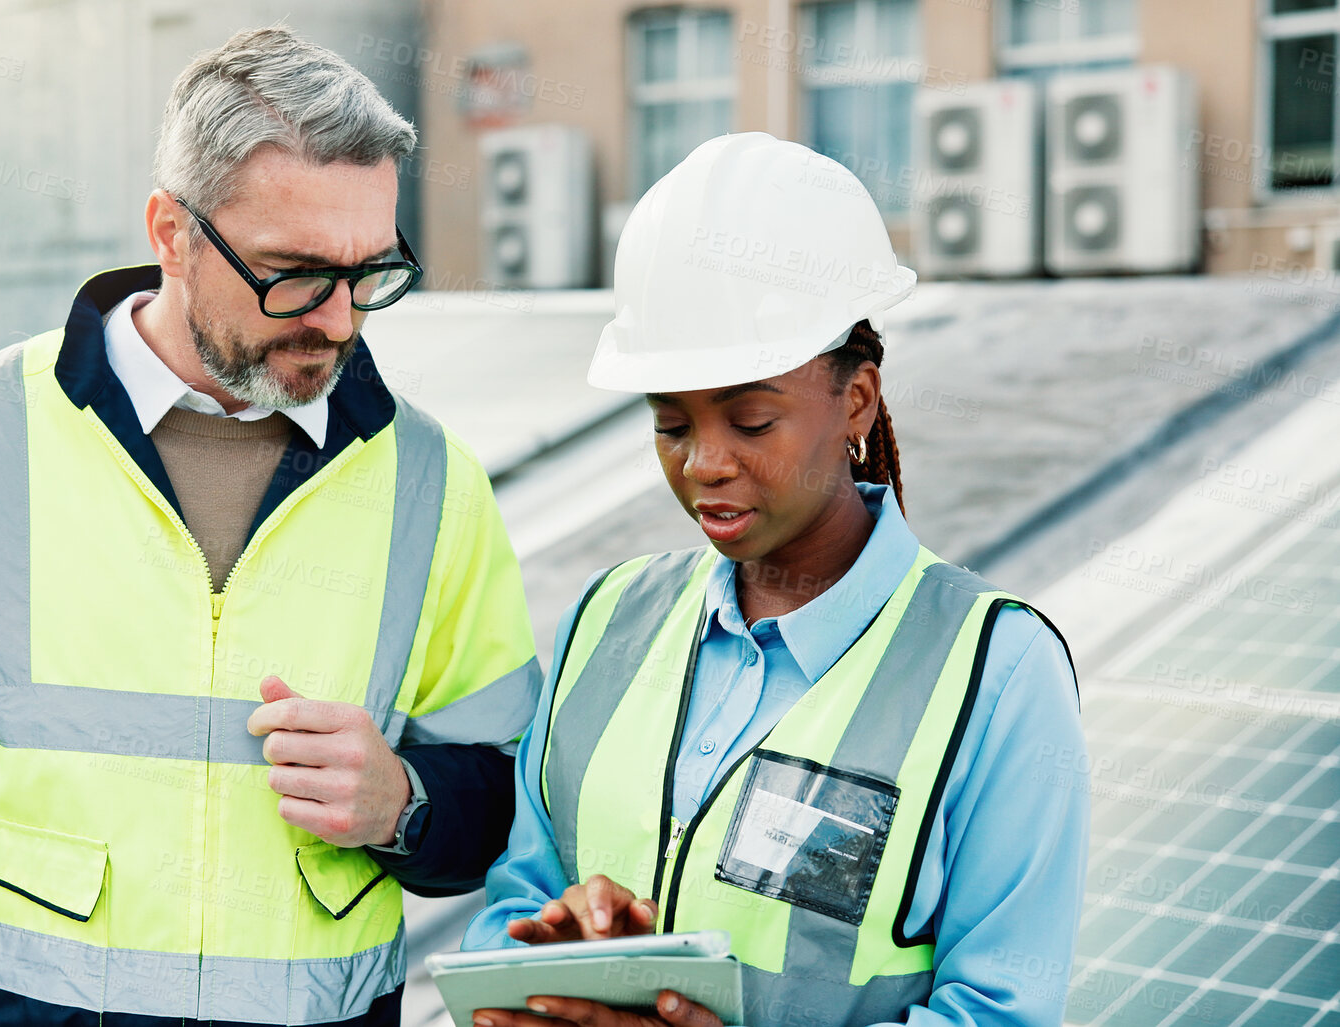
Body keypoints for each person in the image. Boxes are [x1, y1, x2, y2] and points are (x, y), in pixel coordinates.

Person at [0, 27, 539, 1026]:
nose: (342, 320)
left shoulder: (433, 481)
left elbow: (508, 796)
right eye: (294, 273)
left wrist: (405, 801)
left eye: (369, 272)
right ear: (171, 234)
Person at [461, 133, 1089, 1027]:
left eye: (752, 420)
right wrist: (549, 959)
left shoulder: (996, 672)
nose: (705, 464)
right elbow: (509, 907)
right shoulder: (602, 622)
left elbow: (1001, 1011)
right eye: (670, 425)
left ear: (857, 401)